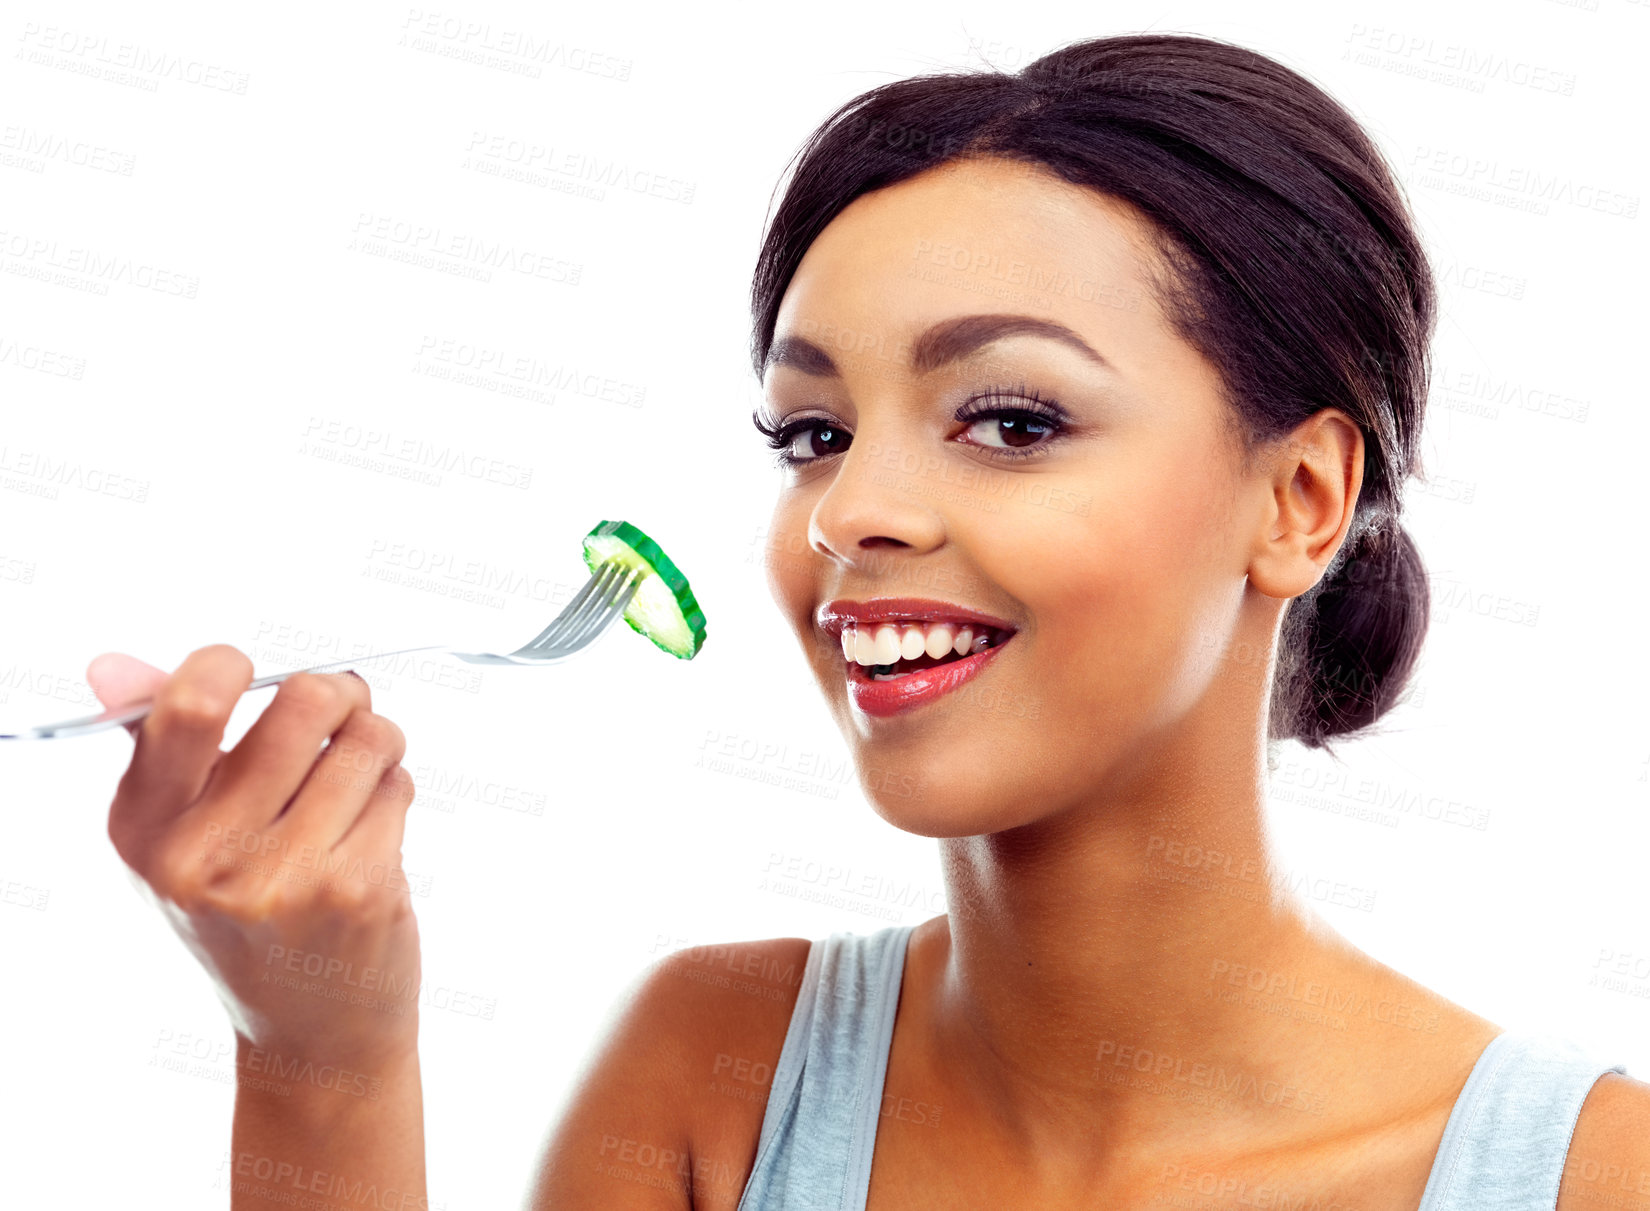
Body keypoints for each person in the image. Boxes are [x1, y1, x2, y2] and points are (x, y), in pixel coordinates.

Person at [90, 31, 1647, 1211]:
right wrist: (319, 1055)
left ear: (1299, 500)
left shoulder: (1584, 1173)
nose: (847, 516)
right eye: (812, 436)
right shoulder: (717, 1070)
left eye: (1015, 420)